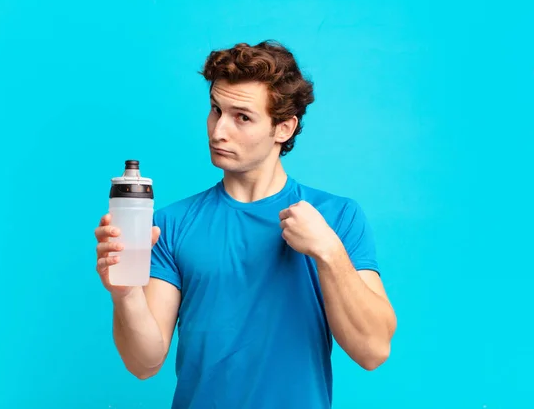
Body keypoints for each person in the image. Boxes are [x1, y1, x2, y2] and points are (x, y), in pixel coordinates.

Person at [94, 40, 397, 409]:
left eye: (242, 117)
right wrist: (124, 293)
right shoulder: (171, 224)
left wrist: (328, 251)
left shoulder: (337, 217)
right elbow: (144, 363)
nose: (218, 130)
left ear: (283, 128)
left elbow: (373, 351)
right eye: (215, 110)